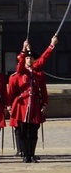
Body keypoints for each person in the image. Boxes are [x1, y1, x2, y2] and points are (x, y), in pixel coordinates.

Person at [8, 35, 58, 163]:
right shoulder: (21, 72)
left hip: (35, 105)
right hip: (23, 106)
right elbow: (19, 64)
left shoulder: (38, 73)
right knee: (24, 132)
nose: (29, 60)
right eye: (27, 58)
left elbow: (43, 90)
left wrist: (51, 45)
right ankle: (25, 154)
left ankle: (31, 154)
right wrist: (24, 49)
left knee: (33, 132)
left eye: (31, 58)